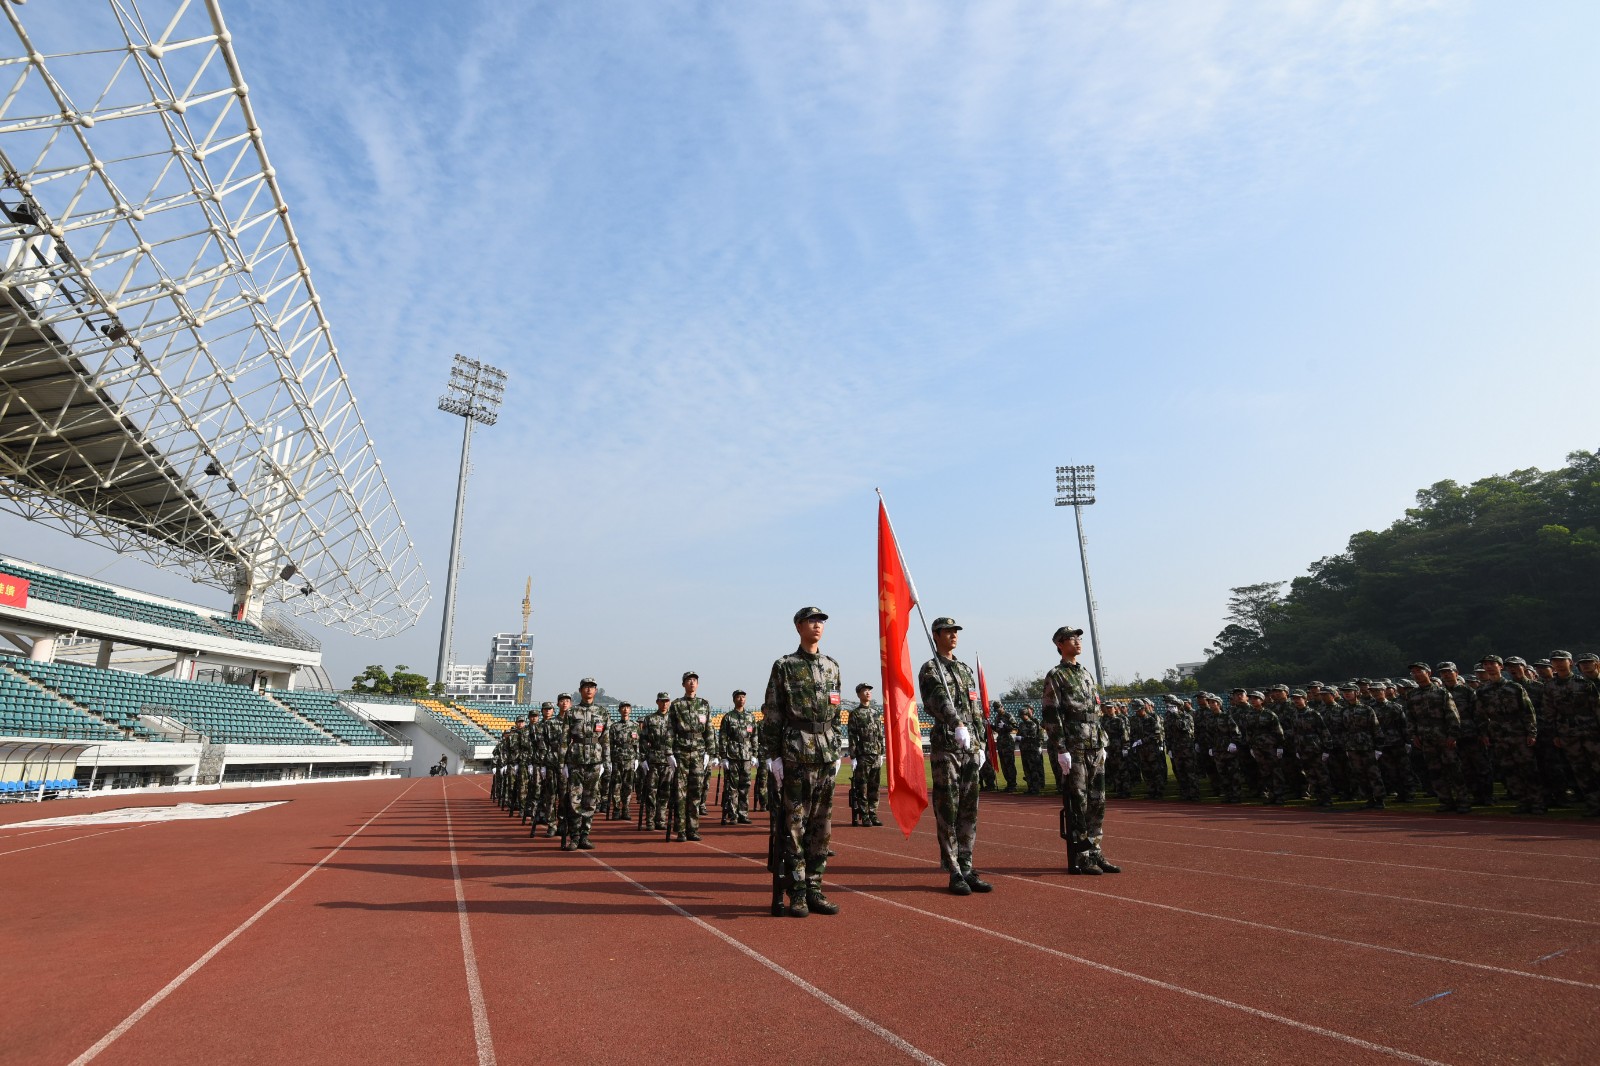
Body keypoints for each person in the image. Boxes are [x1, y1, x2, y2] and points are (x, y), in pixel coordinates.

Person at [762, 606, 845, 917]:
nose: (817, 626)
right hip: (796, 752)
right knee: (795, 824)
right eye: (812, 621)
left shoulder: (832, 666)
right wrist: (774, 756)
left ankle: (814, 887)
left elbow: (836, 713)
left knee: (821, 825)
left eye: (821, 622)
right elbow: (772, 712)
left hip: (825, 752)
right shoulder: (785, 666)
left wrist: (836, 748)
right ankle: (796, 891)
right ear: (798, 626)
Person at [919, 617, 993, 895]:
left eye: (955, 632)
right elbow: (937, 699)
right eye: (947, 632)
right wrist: (956, 724)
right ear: (936, 635)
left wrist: (980, 741)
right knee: (948, 808)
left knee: (969, 810)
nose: (953, 636)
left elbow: (974, 708)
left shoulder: (963, 669)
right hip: (948, 746)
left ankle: (967, 865)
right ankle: (953, 871)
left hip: (969, 746)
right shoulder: (930, 668)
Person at [1041, 625, 1118, 875]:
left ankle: (1095, 850)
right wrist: (1061, 748)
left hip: (1094, 743)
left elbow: (1094, 711)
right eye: (1070, 639)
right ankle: (1082, 855)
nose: (1077, 642)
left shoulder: (1085, 673)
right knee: (1079, 802)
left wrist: (1102, 741)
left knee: (1098, 802)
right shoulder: (1056, 675)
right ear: (1059, 645)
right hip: (1074, 747)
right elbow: (1052, 714)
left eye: (1078, 638)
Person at [1477, 655, 1543, 813]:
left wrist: (1531, 733)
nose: (1489, 667)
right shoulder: (1482, 691)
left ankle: (1537, 802)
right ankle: (1523, 801)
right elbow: (1481, 715)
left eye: (1492, 664)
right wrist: (1484, 733)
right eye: (1486, 665)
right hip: (1499, 735)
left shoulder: (1515, 688)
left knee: (1528, 768)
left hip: (1518, 732)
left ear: (1500, 667)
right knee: (1509, 769)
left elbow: (1528, 712)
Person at [1404, 662, 1467, 813]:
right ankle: (1445, 801)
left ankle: (1463, 801)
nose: (1416, 674)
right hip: (1426, 739)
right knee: (1435, 771)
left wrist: (1453, 735)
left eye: (1419, 671)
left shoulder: (1441, 692)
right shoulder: (1412, 695)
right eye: (1413, 672)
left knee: (1454, 770)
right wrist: (1414, 735)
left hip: (1444, 737)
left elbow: (1453, 715)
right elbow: (1410, 718)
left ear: (1429, 673)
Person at [1547, 652, 1600, 817]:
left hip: (1591, 732)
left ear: (1570, 662)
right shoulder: (1550, 686)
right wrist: (1554, 734)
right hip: (1567, 734)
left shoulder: (1584, 683)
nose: (1559, 664)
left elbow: (1597, 708)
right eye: (1555, 662)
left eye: (1562, 661)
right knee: (1580, 770)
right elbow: (1549, 712)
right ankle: (1594, 805)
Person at [561, 678, 610, 849]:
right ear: (580, 690)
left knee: (590, 799)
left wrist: (606, 760)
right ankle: (574, 836)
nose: (588, 690)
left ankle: (584, 835)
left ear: (596, 691)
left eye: (592, 687)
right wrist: (562, 763)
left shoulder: (602, 712)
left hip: (595, 760)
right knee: (575, 799)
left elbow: (605, 739)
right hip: (576, 760)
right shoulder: (572, 712)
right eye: (585, 687)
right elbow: (564, 740)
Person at [668, 671, 715, 841]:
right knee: (680, 793)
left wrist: (710, 752)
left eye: (695, 680)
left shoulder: (704, 704)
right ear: (683, 684)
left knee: (696, 792)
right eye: (689, 680)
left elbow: (709, 729)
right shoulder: (676, 705)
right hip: (681, 751)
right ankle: (681, 830)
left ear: (698, 684)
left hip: (698, 753)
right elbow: (670, 730)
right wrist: (669, 753)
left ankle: (693, 829)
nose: (692, 683)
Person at [846, 683, 884, 826]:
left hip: (875, 754)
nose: (868, 693)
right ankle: (864, 815)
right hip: (862, 755)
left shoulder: (876, 712)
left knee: (874, 786)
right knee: (861, 787)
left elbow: (880, 734)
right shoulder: (855, 714)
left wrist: (881, 753)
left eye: (869, 691)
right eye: (864, 691)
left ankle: (873, 813)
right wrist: (853, 756)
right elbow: (852, 736)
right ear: (858, 694)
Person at [719, 689, 757, 824]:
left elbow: (754, 736)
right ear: (734, 699)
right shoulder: (728, 717)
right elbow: (723, 737)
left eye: (743, 697)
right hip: (733, 755)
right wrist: (723, 757)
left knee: (745, 786)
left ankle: (743, 814)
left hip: (746, 755)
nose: (741, 699)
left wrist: (755, 754)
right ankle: (732, 814)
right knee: (732, 787)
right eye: (739, 697)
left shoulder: (750, 717)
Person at [639, 693, 673, 830]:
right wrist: (643, 758)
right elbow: (643, 740)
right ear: (657, 702)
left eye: (666, 701)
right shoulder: (650, 719)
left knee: (665, 792)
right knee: (651, 792)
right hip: (653, 759)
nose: (664, 703)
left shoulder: (673, 719)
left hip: (668, 760)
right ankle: (650, 821)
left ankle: (661, 819)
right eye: (661, 701)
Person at [609, 703, 640, 820]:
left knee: (628, 785)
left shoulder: (635, 726)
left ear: (630, 710)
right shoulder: (614, 727)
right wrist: (610, 760)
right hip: (617, 759)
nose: (625, 710)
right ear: (619, 710)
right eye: (623, 708)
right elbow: (610, 744)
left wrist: (637, 758)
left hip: (630, 759)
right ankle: (616, 809)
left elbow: (637, 744)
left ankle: (626, 809)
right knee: (616, 785)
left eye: (627, 708)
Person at [1017, 705, 1045, 795]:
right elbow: (1019, 734)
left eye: (1022, 715)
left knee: (1033, 769)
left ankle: (1036, 788)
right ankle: (1030, 787)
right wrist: (1018, 738)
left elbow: (1032, 737)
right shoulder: (1021, 724)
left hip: (1032, 749)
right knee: (1026, 769)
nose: (1021, 717)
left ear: (1026, 715)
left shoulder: (1032, 724)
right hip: (1024, 749)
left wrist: (1022, 738)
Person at [992, 702, 1019, 792]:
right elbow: (997, 729)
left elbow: (1015, 728)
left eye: (998, 709)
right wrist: (990, 726)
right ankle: (1009, 784)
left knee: (1010, 764)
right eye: (996, 710)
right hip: (1000, 742)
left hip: (1007, 742)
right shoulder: (997, 717)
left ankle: (1013, 784)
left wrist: (1006, 726)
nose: (997, 711)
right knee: (1003, 765)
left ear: (1002, 707)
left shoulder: (1008, 715)